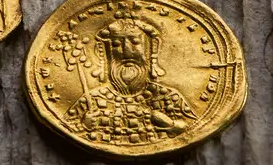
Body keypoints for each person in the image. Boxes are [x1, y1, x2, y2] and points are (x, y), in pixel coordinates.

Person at [65, 16, 195, 144]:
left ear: (151, 48)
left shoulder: (169, 98)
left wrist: (171, 124)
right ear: (104, 52)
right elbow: (66, 127)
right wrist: (84, 125)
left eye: (135, 42)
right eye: (116, 44)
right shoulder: (91, 101)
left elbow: (192, 128)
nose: (126, 52)